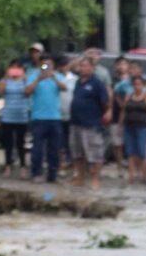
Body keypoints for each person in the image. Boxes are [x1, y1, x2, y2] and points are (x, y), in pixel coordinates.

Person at [67, 54, 109, 188]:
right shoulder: (78, 82)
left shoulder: (97, 83)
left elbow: (105, 103)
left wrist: (102, 115)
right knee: (77, 153)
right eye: (81, 66)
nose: (82, 68)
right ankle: (80, 177)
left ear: (92, 67)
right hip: (76, 123)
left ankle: (95, 179)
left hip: (91, 124)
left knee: (95, 154)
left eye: (85, 66)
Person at [27, 55, 65, 183]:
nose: (46, 67)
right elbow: (26, 91)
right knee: (37, 148)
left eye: (49, 64)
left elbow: (64, 88)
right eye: (44, 65)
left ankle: (52, 175)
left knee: (54, 148)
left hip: (55, 118)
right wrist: (39, 79)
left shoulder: (57, 76)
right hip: (38, 118)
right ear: (40, 65)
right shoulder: (34, 75)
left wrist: (54, 77)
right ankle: (36, 173)